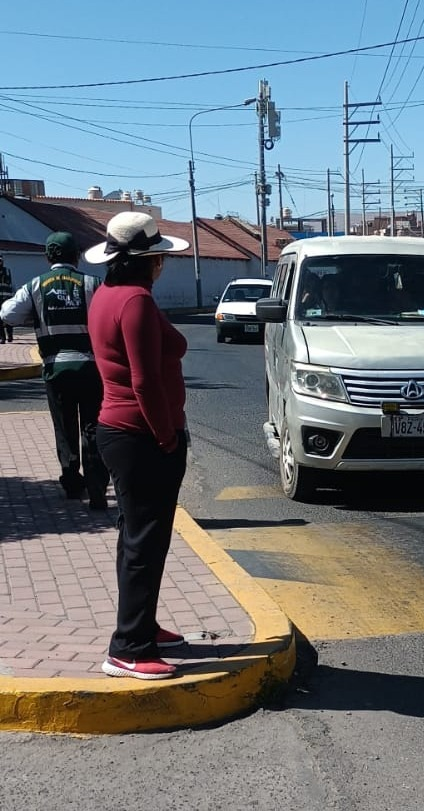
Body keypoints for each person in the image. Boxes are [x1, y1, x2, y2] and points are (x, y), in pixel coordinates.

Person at [84, 211, 191, 680]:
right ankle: (128, 647)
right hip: (142, 435)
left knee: (137, 537)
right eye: (159, 257)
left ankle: (142, 626)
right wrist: (166, 435)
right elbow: (146, 382)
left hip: (120, 432)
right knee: (145, 541)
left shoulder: (107, 294)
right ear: (149, 260)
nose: (163, 264)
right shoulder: (136, 303)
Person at [0, 233, 109, 506]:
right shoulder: (92, 284)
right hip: (90, 368)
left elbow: (7, 315)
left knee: (65, 428)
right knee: (93, 427)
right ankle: (97, 488)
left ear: (48, 257)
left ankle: (72, 483)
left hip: (55, 370)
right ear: (77, 255)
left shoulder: (35, 286)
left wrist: (35, 314)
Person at [0, 256, 14, 343]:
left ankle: (10, 335)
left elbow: (10, 283)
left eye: (0, 261)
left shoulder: (7, 271)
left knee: (7, 316)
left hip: (6, 297)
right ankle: (2, 337)